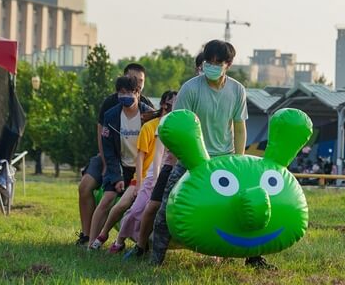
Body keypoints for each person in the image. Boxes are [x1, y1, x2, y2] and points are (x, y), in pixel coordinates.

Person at [150, 40, 273, 269]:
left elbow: (239, 127)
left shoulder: (237, 90)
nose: (212, 66)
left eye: (218, 63)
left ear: (229, 64)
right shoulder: (190, 88)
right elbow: (178, 126)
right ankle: (156, 258)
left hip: (224, 158)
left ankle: (254, 257)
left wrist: (239, 160)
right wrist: (185, 158)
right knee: (166, 208)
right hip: (192, 159)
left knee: (247, 206)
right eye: (209, 62)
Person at [124, 53, 203, 259]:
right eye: (205, 65)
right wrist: (157, 173)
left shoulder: (225, 93)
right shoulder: (187, 95)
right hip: (174, 162)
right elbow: (160, 148)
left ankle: (217, 252)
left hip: (206, 164)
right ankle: (141, 246)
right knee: (154, 206)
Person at [76, 63, 153, 246]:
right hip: (112, 156)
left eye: (140, 82)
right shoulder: (111, 106)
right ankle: (88, 237)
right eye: (135, 79)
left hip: (139, 164)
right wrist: (110, 169)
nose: (138, 84)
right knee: (88, 188)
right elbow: (104, 139)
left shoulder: (147, 110)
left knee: (135, 200)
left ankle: (135, 241)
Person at [102, 90, 177, 255]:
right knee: (134, 210)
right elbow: (150, 156)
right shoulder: (155, 126)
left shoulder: (179, 123)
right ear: (164, 104)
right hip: (148, 177)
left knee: (156, 214)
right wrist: (148, 181)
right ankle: (117, 239)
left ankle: (144, 246)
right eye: (173, 101)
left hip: (170, 175)